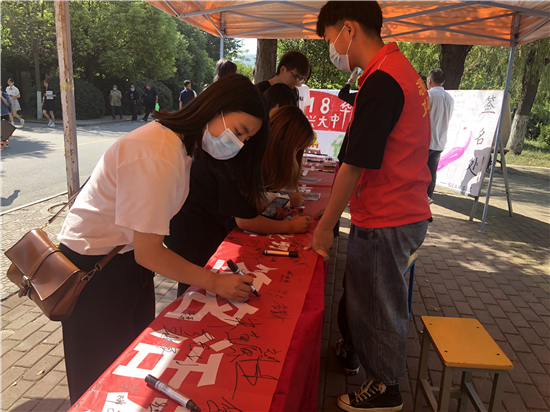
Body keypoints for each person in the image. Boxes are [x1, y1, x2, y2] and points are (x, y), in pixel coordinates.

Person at [56, 74, 269, 404]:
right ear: (217, 107)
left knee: (129, 366)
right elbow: (150, 252)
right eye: (239, 131)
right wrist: (215, 282)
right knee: (98, 383)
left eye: (245, 139)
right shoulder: (159, 151)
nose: (238, 143)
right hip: (95, 269)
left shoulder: (181, 147)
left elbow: (145, 249)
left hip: (124, 259)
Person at [310, 2, 432, 411]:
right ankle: (365, 359)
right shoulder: (397, 70)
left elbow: (355, 163)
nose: (331, 48)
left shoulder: (383, 80)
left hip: (388, 215)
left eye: (330, 39)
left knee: (379, 306)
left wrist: (325, 226)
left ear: (348, 29)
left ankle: (385, 388)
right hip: (399, 208)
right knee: (372, 297)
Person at [166, 105, 313, 296]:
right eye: (297, 149)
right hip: (190, 225)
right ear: (284, 143)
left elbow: (247, 203)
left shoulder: (253, 153)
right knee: (197, 286)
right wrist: (290, 227)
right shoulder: (243, 155)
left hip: (206, 220)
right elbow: (245, 221)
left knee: (204, 283)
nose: (295, 157)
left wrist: (270, 213)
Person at [426, 68, 454, 204]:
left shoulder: (428, 96)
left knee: (419, 171)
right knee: (432, 172)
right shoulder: (450, 98)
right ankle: (427, 197)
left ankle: (418, 199)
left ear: (429, 81)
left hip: (426, 140)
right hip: (440, 141)